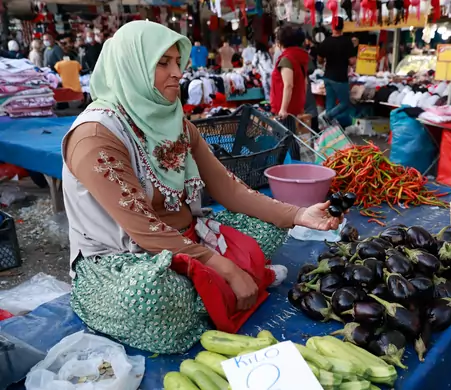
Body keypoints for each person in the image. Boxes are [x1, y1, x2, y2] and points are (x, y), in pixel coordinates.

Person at [62, 21, 340, 354]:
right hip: (123, 259)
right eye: (163, 63)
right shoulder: (96, 136)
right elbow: (145, 231)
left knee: (269, 229)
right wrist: (225, 267)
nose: (177, 73)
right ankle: (222, 287)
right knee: (152, 297)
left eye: (178, 62)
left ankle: (213, 292)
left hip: (188, 239)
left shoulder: (173, 122)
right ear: (130, 66)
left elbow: (230, 189)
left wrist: (299, 215)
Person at [270, 25, 310, 160]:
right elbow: (304, 83)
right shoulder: (300, 58)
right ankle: (291, 166)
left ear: (280, 42)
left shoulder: (287, 59)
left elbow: (288, 85)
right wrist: (301, 103)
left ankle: (293, 167)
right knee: (288, 137)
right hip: (294, 104)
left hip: (285, 107)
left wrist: (283, 109)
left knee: (287, 138)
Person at [317, 17, 357, 127]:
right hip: (340, 78)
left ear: (332, 26)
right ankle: (328, 116)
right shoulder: (346, 41)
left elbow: (320, 60)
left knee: (330, 103)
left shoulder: (326, 41)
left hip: (328, 76)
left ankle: (329, 129)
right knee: (345, 103)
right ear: (342, 27)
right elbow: (352, 61)